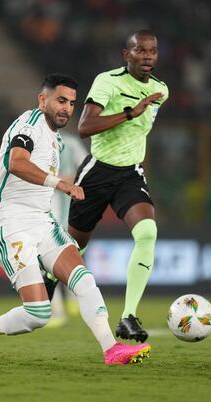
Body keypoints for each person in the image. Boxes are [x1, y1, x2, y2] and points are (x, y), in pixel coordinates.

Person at [0, 73, 151, 365]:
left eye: (71, 103)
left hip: (43, 223)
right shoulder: (28, 126)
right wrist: (60, 183)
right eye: (60, 100)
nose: (67, 108)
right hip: (10, 226)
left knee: (84, 280)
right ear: (42, 100)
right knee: (38, 314)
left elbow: (1, 173)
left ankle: (112, 349)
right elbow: (15, 163)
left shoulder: (56, 140)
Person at [50, 30, 169, 343]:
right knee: (73, 248)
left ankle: (128, 316)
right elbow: (85, 127)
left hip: (130, 174)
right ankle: (45, 290)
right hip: (97, 173)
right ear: (125, 55)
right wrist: (131, 112)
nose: (147, 57)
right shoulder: (108, 81)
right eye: (140, 51)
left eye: (153, 51)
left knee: (147, 232)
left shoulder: (160, 90)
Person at [46, 130, 88, 327]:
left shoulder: (70, 143)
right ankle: (63, 306)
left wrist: (70, 180)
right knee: (53, 261)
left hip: (67, 209)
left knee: (58, 260)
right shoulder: (39, 141)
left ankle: (64, 307)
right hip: (45, 209)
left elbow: (86, 167)